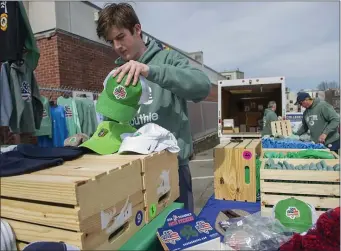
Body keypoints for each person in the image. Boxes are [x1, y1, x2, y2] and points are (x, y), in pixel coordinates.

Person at [96, 3, 211, 212]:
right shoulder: (118, 73)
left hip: (173, 168)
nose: (117, 46)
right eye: (111, 41)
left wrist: (151, 71)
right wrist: (90, 141)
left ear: (137, 29)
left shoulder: (168, 59)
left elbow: (202, 87)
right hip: (134, 172)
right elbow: (112, 124)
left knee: (179, 236)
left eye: (121, 37)